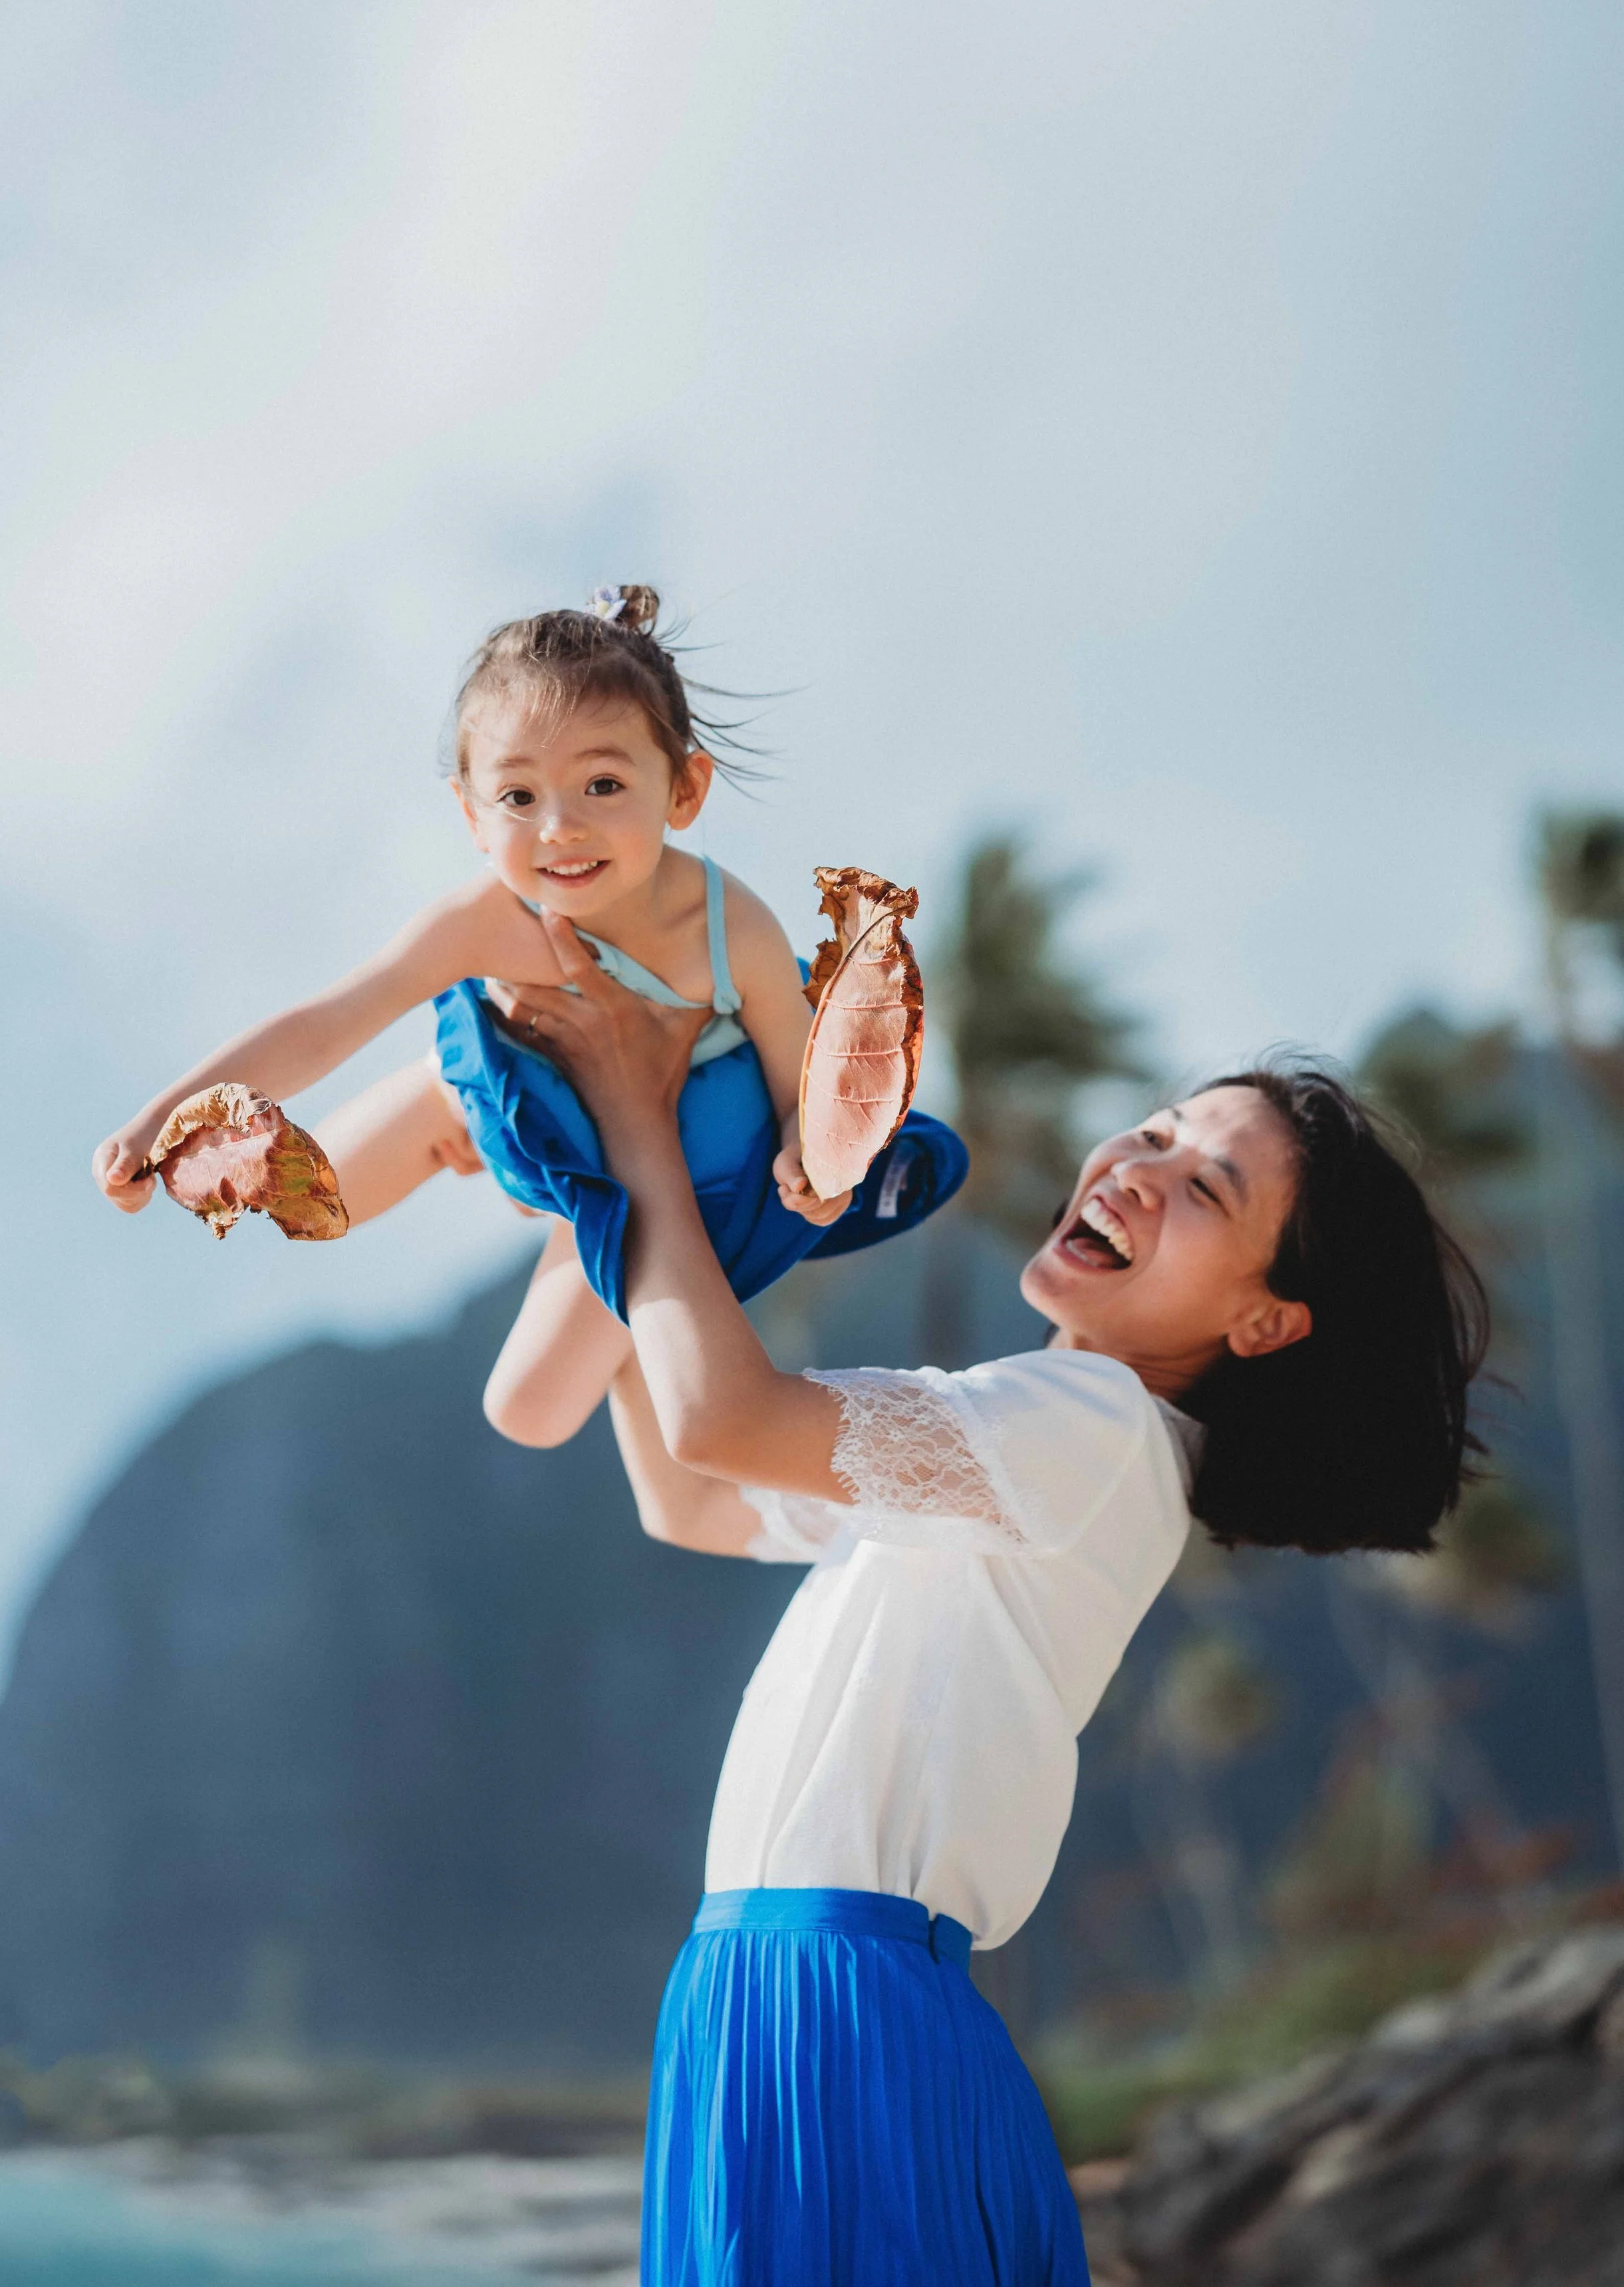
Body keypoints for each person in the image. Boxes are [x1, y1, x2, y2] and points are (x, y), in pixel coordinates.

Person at [493, 918, 1489, 2287]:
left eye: (1205, 1189)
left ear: (1262, 1321)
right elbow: (693, 1496)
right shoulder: (1029, 1443)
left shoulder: (1089, 1427)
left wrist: (639, 1130)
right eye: (1155, 1131)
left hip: (837, 2008)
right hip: (787, 1993)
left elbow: (721, 1417)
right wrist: (615, 1188)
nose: (1138, 1170)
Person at [89, 587, 964, 1447]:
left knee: (527, 1412)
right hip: (505, 1081)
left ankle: (591, 1249)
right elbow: (329, 1020)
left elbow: (802, 1086)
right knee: (317, 1199)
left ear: (685, 789)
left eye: (603, 783)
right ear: (470, 813)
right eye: (518, 797)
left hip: (651, 1167)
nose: (559, 827)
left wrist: (812, 1163)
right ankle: (476, 1139)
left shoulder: (728, 929)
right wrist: (158, 1122)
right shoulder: (480, 923)